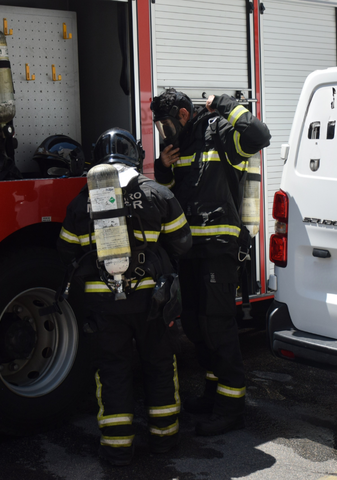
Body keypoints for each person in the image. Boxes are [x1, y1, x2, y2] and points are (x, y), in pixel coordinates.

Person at [57, 128, 192, 466]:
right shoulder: (157, 193)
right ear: (136, 156)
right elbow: (183, 243)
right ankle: (164, 438)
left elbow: (66, 249)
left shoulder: (81, 200)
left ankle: (117, 448)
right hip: (152, 301)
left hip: (103, 304)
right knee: (159, 363)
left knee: (112, 369)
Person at [150, 89, 271, 436]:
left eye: (166, 124)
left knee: (217, 325)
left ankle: (232, 408)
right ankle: (213, 393)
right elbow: (171, 193)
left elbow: (259, 135)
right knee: (194, 324)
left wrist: (225, 104)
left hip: (219, 248)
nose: (163, 132)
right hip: (189, 251)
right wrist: (163, 167)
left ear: (184, 115)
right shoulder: (179, 145)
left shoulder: (220, 132)